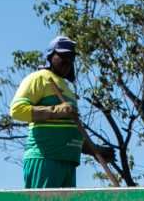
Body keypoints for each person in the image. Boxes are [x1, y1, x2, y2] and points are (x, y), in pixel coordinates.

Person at [8, 35, 114, 189]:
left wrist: (94, 150)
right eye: (63, 56)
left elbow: (70, 131)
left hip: (68, 160)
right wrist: (56, 110)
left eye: (71, 58)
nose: (68, 61)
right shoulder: (39, 78)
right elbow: (17, 110)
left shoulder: (66, 88)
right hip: (46, 157)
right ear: (50, 56)